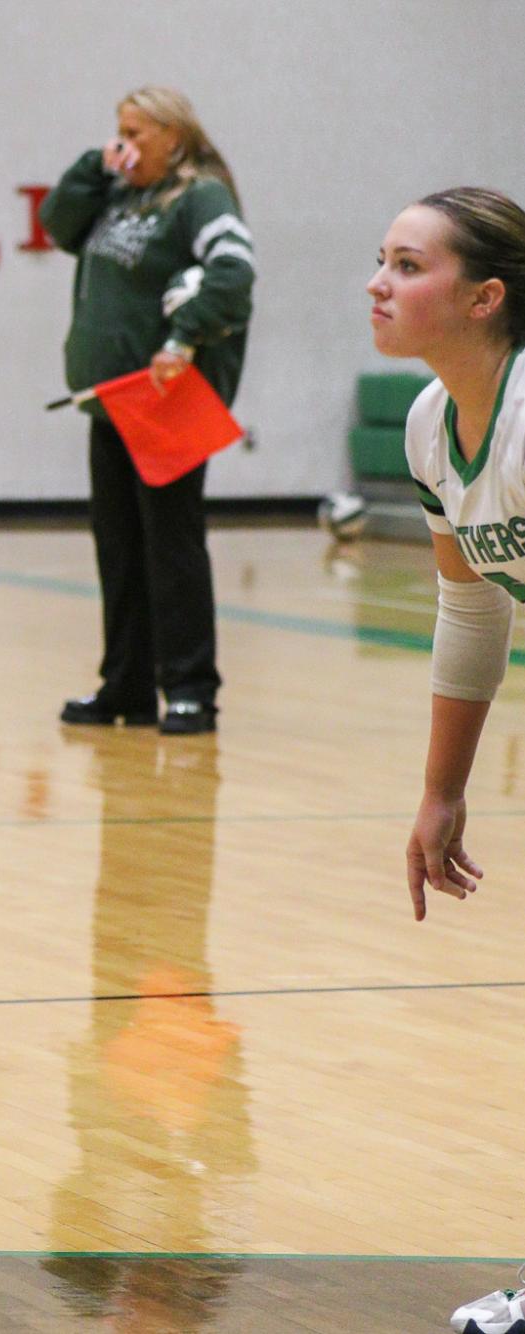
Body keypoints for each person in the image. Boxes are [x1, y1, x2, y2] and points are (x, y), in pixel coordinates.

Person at [368, 186, 525, 1334]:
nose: (379, 281)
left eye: (407, 263)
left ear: (484, 296)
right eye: (379, 259)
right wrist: (441, 787)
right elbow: (470, 609)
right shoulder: (434, 424)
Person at [40, 86, 254, 734]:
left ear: (173, 135)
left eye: (135, 133)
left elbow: (234, 271)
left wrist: (181, 335)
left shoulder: (199, 196)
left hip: (163, 401)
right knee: (118, 548)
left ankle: (189, 690)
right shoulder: (118, 193)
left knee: (171, 548)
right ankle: (125, 689)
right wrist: (94, 165)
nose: (124, 144)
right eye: (119, 132)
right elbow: (57, 224)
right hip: (109, 402)